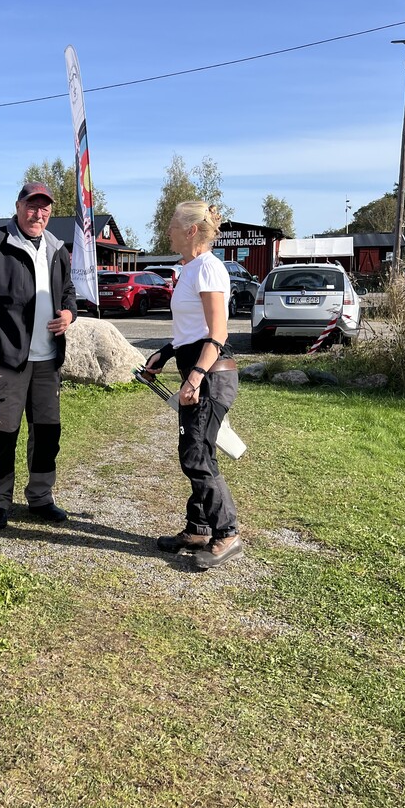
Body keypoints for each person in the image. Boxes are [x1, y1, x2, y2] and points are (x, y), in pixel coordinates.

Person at [0, 181, 77, 529]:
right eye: (32, 206)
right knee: (5, 431)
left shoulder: (57, 248)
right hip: (9, 357)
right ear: (18, 206)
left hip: (48, 359)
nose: (38, 214)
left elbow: (68, 290)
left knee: (48, 432)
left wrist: (69, 313)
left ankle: (41, 497)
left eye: (44, 208)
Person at [143, 200, 243, 569]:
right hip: (199, 372)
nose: (167, 230)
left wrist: (196, 376)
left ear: (191, 231)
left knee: (196, 454)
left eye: (172, 224)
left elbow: (218, 332)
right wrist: (165, 353)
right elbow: (191, 330)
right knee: (195, 450)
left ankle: (227, 533)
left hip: (212, 376)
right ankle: (199, 529)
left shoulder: (209, 268)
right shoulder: (190, 268)